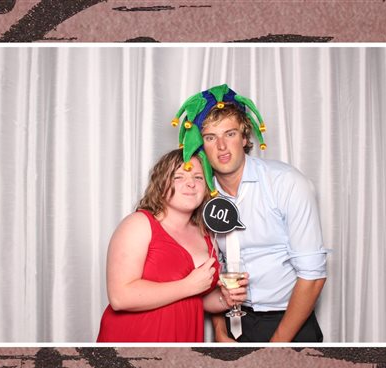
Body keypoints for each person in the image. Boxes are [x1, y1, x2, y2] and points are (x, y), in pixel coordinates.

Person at [171, 84, 327, 343]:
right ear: (201, 145)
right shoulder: (201, 194)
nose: (222, 146)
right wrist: (219, 330)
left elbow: (313, 276)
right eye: (210, 137)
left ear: (244, 137)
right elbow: (211, 266)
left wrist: (275, 347)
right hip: (233, 323)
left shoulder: (286, 183)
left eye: (230, 133)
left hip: (288, 322)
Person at [97, 149, 248, 343]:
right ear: (162, 184)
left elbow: (197, 299)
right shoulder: (138, 224)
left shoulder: (207, 235)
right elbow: (120, 297)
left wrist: (224, 299)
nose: (191, 183)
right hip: (137, 337)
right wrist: (187, 286)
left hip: (183, 338)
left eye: (198, 177)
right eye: (179, 177)